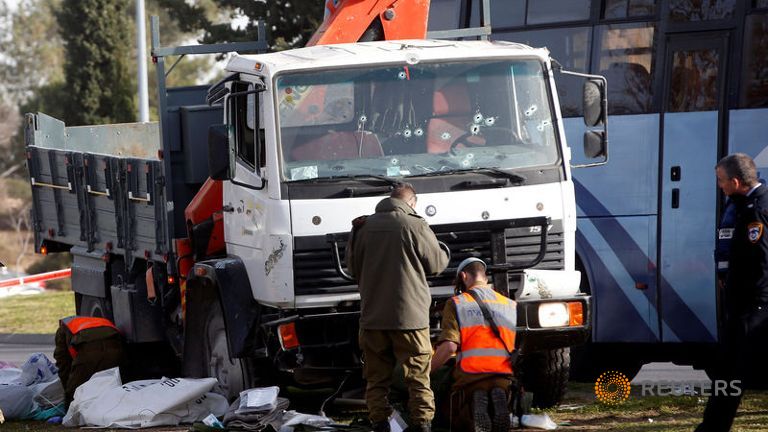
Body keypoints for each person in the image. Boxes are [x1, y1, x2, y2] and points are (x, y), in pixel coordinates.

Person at [346, 182, 449, 432]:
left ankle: (380, 423)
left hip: (372, 317)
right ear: (411, 202)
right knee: (418, 376)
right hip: (410, 318)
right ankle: (421, 424)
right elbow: (436, 265)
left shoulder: (362, 227)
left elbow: (352, 269)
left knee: (376, 378)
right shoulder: (415, 224)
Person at [697, 153, 768, 431]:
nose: (719, 186)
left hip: (752, 309)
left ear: (736, 181)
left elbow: (762, 262)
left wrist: (752, 305)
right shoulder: (745, 204)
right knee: (729, 373)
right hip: (748, 307)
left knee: (729, 373)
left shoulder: (756, 210)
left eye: (721, 180)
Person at [431, 257, 516, 432]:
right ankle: (498, 399)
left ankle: (476, 399)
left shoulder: (456, 303)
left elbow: (449, 347)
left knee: (452, 401)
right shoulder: (510, 304)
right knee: (498, 387)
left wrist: (425, 372)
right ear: (485, 277)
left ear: (463, 276)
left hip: (470, 377)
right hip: (503, 377)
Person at [53, 315, 123, 405]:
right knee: (112, 385)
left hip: (89, 349)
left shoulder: (63, 328)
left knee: (73, 392)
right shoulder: (94, 320)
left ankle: (69, 417)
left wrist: (67, 387)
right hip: (116, 346)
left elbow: (62, 362)